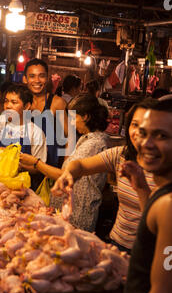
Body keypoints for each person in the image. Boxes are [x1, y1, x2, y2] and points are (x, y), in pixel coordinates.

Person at [52, 98, 159, 253]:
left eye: (147, 126)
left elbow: (156, 223)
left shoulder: (164, 169)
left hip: (148, 251)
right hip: (117, 242)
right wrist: (70, 173)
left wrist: (141, 187)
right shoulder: (120, 155)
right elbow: (81, 165)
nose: (138, 132)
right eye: (135, 124)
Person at [115, 99, 172, 293]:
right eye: (144, 133)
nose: (146, 144)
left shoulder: (170, 204)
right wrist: (140, 186)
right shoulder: (162, 198)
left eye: (161, 136)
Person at [19, 94, 109, 232]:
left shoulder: (94, 144)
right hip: (69, 212)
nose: (71, 123)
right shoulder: (86, 139)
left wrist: (36, 163)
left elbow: (65, 175)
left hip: (78, 215)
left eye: (73, 118)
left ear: (86, 117)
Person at [0, 84, 47, 180]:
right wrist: (2, 152)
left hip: (18, 184)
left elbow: (38, 168)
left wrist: (18, 165)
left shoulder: (36, 132)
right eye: (6, 101)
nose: (8, 106)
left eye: (14, 102)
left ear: (26, 106)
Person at [22, 58, 68, 170]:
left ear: (47, 78)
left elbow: (69, 137)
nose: (37, 80)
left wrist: (66, 166)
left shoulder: (57, 103)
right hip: (22, 166)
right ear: (25, 79)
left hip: (48, 169)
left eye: (41, 76)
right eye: (32, 76)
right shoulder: (19, 102)